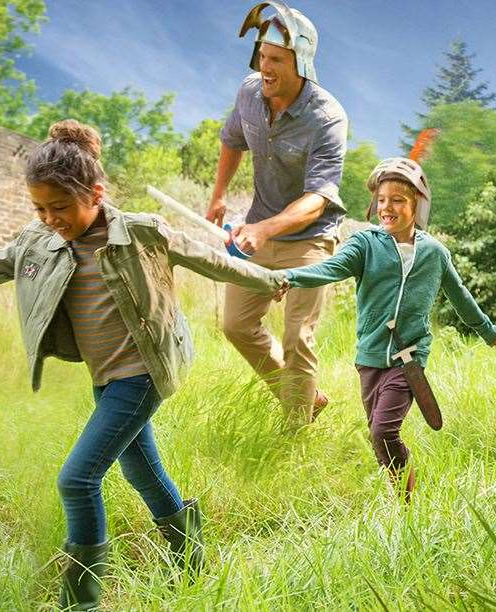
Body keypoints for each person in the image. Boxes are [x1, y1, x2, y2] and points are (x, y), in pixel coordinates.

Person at [0, 120, 287, 609]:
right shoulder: (38, 242)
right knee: (142, 471)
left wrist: (268, 279)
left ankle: (81, 601)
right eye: (40, 208)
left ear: (95, 193)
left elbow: (209, 259)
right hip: (106, 377)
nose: (51, 218)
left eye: (61, 207)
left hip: (144, 370)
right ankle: (192, 562)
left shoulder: (139, 232)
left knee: (77, 478)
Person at [281, 158, 496, 498]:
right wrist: (290, 277)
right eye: (382, 199)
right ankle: (404, 495)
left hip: (408, 358)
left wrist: (489, 331)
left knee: (383, 431)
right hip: (369, 356)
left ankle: (409, 502)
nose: (387, 207)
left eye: (397, 199)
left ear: (417, 205)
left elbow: (461, 297)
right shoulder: (365, 244)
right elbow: (332, 268)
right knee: (377, 435)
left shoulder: (435, 253)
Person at [206, 1, 348, 423]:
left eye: (277, 60)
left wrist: (267, 229)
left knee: (297, 338)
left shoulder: (327, 117)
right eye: (262, 57)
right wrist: (218, 195)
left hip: (309, 238)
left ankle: (296, 433)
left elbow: (319, 197)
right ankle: (304, 396)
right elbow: (233, 139)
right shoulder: (250, 92)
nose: (265, 68)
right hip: (260, 230)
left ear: (301, 62)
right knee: (235, 324)